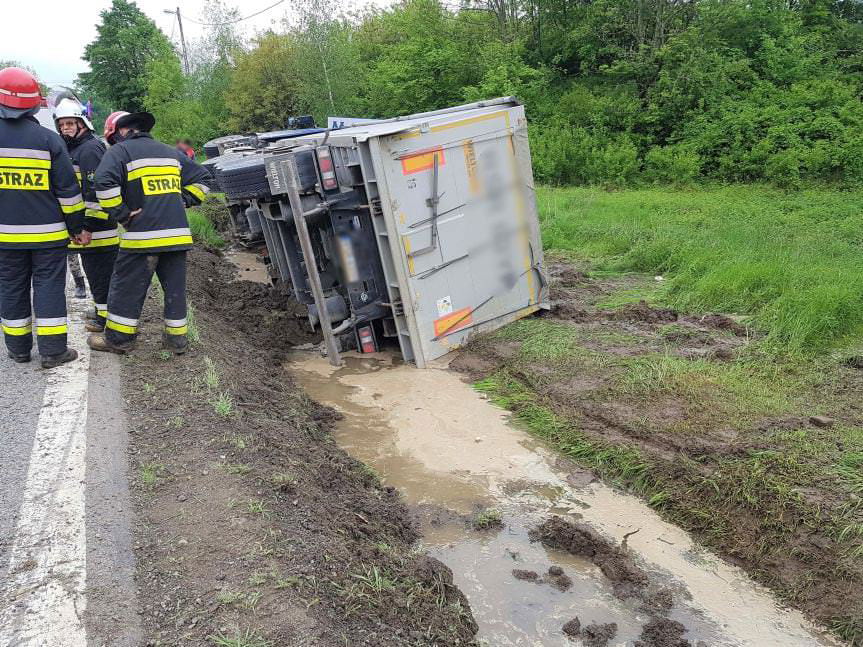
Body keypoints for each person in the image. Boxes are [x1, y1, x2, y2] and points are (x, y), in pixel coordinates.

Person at [88, 110, 211, 356]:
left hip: (142, 237)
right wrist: (183, 199)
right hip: (177, 236)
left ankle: (119, 340)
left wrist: (122, 214)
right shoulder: (170, 152)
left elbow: (102, 182)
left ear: (119, 133)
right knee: (174, 289)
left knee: (126, 288)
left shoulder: (120, 152)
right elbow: (205, 179)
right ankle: (177, 340)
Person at [0, 67, 84, 368]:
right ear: (35, 104)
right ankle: (52, 351)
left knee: (10, 287)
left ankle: (18, 349)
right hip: (47, 235)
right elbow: (68, 192)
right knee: (48, 287)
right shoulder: (49, 140)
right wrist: (77, 228)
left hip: (4, 238)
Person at [54, 98, 119, 331]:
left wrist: (88, 227)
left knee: (101, 275)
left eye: (70, 124)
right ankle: (104, 314)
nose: (65, 129)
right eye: (61, 125)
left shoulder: (89, 149)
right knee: (96, 275)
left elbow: (94, 191)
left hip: (98, 229)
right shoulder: (75, 149)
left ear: (82, 124)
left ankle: (107, 321)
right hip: (90, 227)